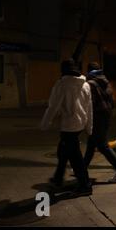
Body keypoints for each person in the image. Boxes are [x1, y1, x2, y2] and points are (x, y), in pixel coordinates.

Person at [40, 59, 93, 196]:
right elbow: (89, 108)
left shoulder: (62, 84)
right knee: (63, 150)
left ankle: (85, 185)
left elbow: (53, 106)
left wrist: (45, 123)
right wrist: (89, 127)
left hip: (69, 125)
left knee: (75, 157)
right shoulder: (85, 85)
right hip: (80, 124)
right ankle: (58, 178)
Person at [83, 62, 116, 182]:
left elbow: (89, 103)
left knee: (102, 145)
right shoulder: (105, 81)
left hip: (97, 117)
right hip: (106, 115)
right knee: (91, 144)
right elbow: (111, 101)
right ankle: (81, 169)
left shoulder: (90, 84)